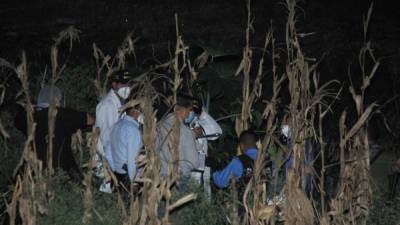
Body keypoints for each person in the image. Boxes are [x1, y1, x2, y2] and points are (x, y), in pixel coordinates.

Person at [14, 85, 94, 182]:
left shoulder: (27, 117)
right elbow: (90, 120)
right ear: (57, 100)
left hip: (32, 171)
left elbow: (17, 120)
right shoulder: (64, 114)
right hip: (63, 171)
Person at [95, 69, 135, 178]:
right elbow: (106, 137)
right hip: (108, 162)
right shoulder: (107, 105)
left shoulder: (122, 103)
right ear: (114, 84)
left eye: (128, 84)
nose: (127, 87)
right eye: (123, 84)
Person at [157, 96, 199, 180]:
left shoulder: (159, 126)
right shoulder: (184, 131)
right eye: (189, 110)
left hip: (161, 177)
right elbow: (193, 162)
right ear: (183, 110)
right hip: (179, 177)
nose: (189, 114)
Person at [187, 100, 222, 196]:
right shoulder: (173, 121)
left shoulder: (198, 121)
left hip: (200, 171)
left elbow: (217, 132)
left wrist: (201, 114)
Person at [107, 102, 143, 190]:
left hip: (117, 173)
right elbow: (132, 159)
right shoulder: (133, 130)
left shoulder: (116, 125)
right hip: (128, 176)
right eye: (141, 111)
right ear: (136, 112)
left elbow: (108, 150)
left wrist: (114, 168)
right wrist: (134, 181)